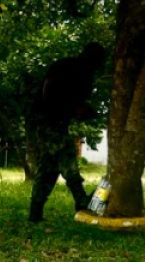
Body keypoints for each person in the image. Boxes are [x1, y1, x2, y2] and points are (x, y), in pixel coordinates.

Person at [27, 42, 106, 223]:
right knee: (66, 152)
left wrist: (82, 111)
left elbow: (76, 105)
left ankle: (35, 213)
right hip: (45, 119)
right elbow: (49, 89)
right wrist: (64, 110)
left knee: (49, 168)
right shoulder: (68, 66)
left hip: (57, 121)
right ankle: (80, 199)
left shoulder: (86, 74)